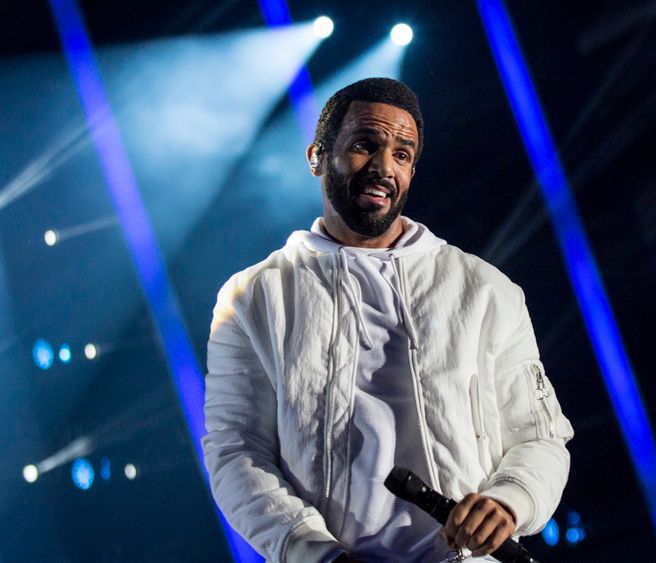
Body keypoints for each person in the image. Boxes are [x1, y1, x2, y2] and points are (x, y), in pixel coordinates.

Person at [202, 77, 574, 563]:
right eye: (364, 145)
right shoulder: (251, 296)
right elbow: (236, 451)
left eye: (402, 154)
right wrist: (312, 552)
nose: (383, 168)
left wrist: (509, 499)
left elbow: (540, 436)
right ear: (316, 156)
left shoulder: (485, 290)